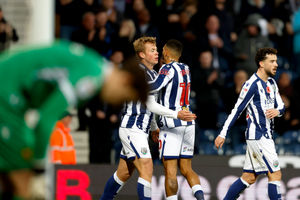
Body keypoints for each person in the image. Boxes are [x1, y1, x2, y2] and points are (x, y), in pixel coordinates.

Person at [0, 40, 148, 200]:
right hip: (7, 94)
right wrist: (39, 167)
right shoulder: (91, 77)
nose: (116, 103)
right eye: (123, 98)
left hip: (10, 90)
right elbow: (45, 119)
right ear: (125, 80)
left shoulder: (93, 63)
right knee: (22, 181)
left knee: (9, 178)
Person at [100, 37, 196, 200]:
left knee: (123, 173)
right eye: (152, 50)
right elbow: (150, 104)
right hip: (132, 128)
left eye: (157, 49)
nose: (157, 53)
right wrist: (176, 114)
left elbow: (148, 104)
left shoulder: (153, 74)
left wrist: (153, 128)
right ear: (142, 55)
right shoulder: (138, 73)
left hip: (141, 130)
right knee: (147, 166)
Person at [214, 47, 285, 200]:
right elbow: (236, 110)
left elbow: (282, 106)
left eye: (276, 61)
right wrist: (222, 133)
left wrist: (277, 111)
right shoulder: (251, 84)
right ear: (261, 63)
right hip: (259, 136)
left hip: (265, 136)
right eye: (271, 61)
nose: (276, 64)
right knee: (275, 173)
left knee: (249, 177)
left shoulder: (272, 83)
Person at [149, 39, 205, 200]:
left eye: (162, 50)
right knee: (187, 169)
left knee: (170, 171)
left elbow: (155, 86)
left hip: (171, 123)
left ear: (166, 52)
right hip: (188, 122)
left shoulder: (167, 68)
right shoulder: (185, 68)